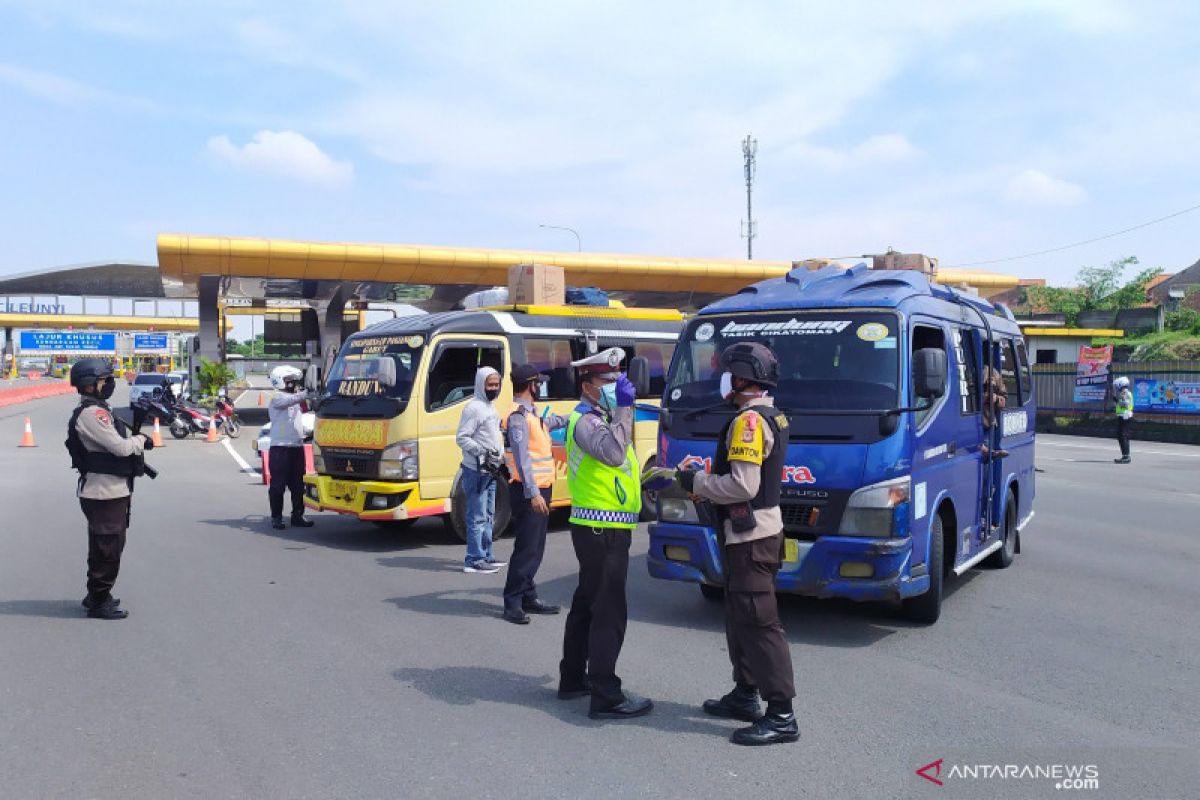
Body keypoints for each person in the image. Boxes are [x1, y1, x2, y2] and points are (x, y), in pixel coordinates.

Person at [675, 342, 799, 746]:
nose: (723, 379)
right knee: (740, 617)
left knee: (759, 623)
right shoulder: (769, 414)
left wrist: (697, 483)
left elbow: (744, 485)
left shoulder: (749, 422)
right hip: (749, 535)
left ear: (744, 378)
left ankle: (781, 714)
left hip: (751, 538)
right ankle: (745, 694)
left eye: (728, 372)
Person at [558, 347, 652, 720]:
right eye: (608, 381)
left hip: (605, 526)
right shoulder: (586, 421)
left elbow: (621, 466)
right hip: (602, 529)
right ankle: (606, 694)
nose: (616, 386)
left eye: (619, 379)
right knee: (609, 610)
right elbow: (614, 455)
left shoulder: (603, 416)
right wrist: (627, 409)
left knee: (586, 603)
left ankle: (572, 679)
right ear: (588, 386)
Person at [66, 358, 154, 620]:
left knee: (109, 545)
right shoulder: (92, 414)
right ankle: (99, 600)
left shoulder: (99, 410)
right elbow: (120, 447)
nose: (109, 384)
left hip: (111, 490)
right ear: (90, 385)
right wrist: (140, 439)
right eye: (105, 380)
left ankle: (97, 594)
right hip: (103, 492)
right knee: (107, 548)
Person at [499, 364, 570, 624]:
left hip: (540, 489)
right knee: (527, 548)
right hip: (530, 492)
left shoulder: (531, 415)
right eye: (538, 383)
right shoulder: (518, 417)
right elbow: (522, 458)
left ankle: (528, 595)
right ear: (531, 385)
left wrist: (576, 416)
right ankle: (513, 602)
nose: (540, 386)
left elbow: (547, 424)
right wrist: (533, 494)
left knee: (536, 546)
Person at [455, 366, 507, 574]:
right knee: (476, 515)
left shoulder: (490, 407)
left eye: (496, 384)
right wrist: (482, 451)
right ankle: (474, 559)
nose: (494, 388)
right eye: (490, 385)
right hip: (476, 469)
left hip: (491, 469)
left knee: (488, 513)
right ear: (480, 384)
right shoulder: (473, 408)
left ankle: (486, 555)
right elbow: (462, 437)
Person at [267, 365, 315, 530]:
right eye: (290, 381)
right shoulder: (276, 396)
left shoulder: (295, 398)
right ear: (280, 381)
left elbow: (304, 416)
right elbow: (288, 401)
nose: (293, 384)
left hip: (296, 446)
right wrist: (305, 393)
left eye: (294, 381)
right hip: (280, 448)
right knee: (278, 485)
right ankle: (277, 518)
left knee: (298, 484)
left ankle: (297, 515)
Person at [979, 363, 1009, 460]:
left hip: (985, 425)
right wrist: (986, 396)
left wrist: (995, 398)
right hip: (966, 423)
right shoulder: (963, 368)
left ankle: (989, 453)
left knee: (984, 462)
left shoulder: (993, 372)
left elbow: (1004, 399)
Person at [1113, 375, 1133, 464]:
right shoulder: (1127, 392)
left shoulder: (1124, 393)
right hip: (1125, 415)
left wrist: (1116, 401)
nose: (1117, 388)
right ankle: (1125, 455)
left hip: (1124, 416)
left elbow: (1124, 404)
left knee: (1122, 436)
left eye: (1118, 386)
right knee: (1123, 436)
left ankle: (1126, 456)